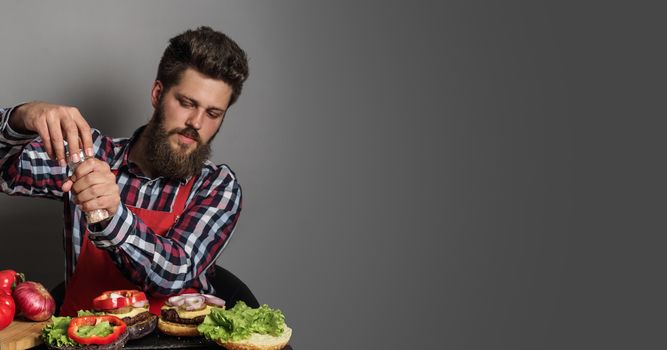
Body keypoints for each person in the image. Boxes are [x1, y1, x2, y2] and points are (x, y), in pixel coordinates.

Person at [0, 26, 249, 316]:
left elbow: (173, 274)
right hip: (79, 342)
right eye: (186, 103)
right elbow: (5, 171)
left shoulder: (217, 186)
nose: (196, 122)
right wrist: (21, 118)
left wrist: (111, 215)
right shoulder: (88, 154)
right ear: (158, 94)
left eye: (213, 113)